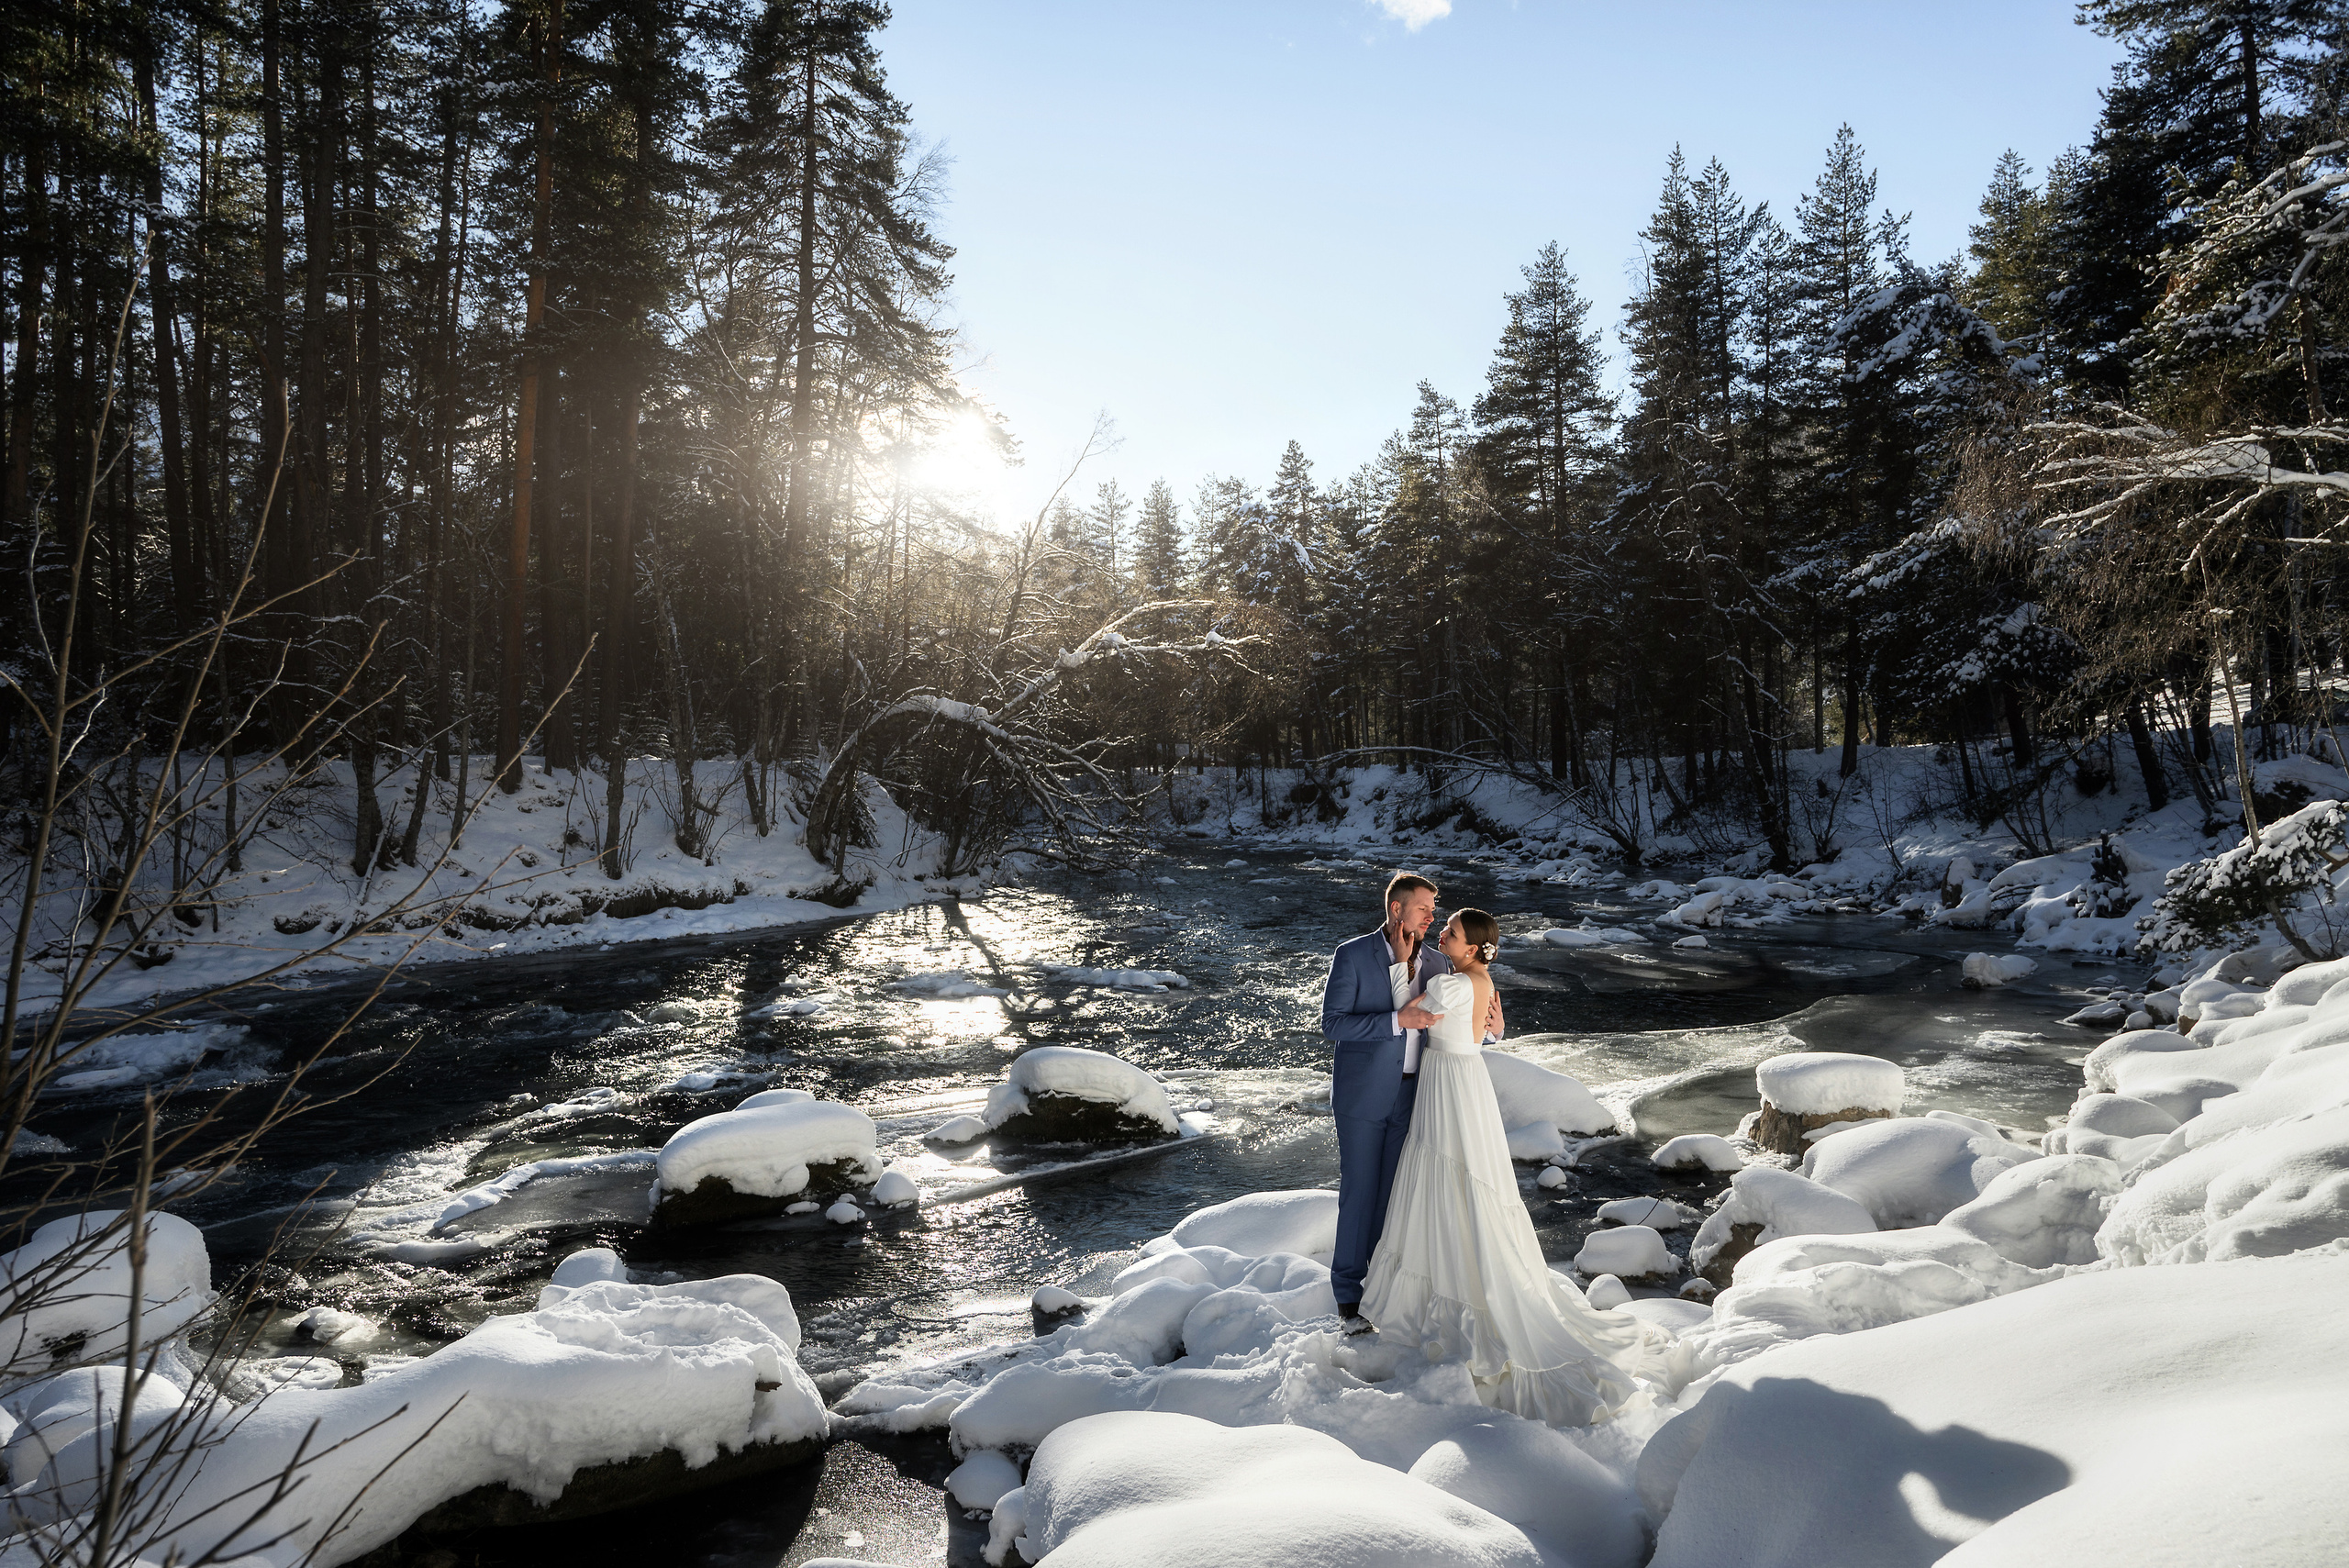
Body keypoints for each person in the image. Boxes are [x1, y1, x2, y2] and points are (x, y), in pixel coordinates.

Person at [1359, 907, 1675, 1426]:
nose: (1444, 934)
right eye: (1446, 928)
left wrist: (1399, 961)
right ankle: (1451, 1265)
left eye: (1453, 933)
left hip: (1451, 1087)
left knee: (1451, 1172)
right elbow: (1485, 1031)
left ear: (1474, 945)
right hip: (1460, 1079)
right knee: (1455, 1175)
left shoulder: (1458, 985)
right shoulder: (1475, 980)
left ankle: (1454, 1277)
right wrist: (1496, 1029)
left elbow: (1406, 1010)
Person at [1318, 872, 1449, 1324]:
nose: (1433, 916)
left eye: (1434, 908)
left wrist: (1491, 1032)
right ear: (1397, 909)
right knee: (1359, 1193)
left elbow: (1453, 1027)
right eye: (1424, 908)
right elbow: (1332, 1025)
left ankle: (1381, 1284)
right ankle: (1348, 1295)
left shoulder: (1436, 963)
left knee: (1394, 1196)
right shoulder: (1352, 955)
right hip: (1362, 1097)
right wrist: (1397, 1021)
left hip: (1415, 1097)